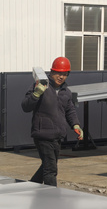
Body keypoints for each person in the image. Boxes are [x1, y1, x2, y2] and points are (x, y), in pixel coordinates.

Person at [21, 56, 83, 186]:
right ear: (51, 72)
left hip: (57, 137)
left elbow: (70, 110)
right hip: (43, 135)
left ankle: (32, 186)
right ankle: (53, 195)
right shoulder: (40, 86)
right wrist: (36, 94)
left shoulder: (66, 92)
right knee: (51, 170)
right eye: (58, 73)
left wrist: (76, 125)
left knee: (47, 165)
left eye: (65, 74)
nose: (61, 77)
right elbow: (25, 106)